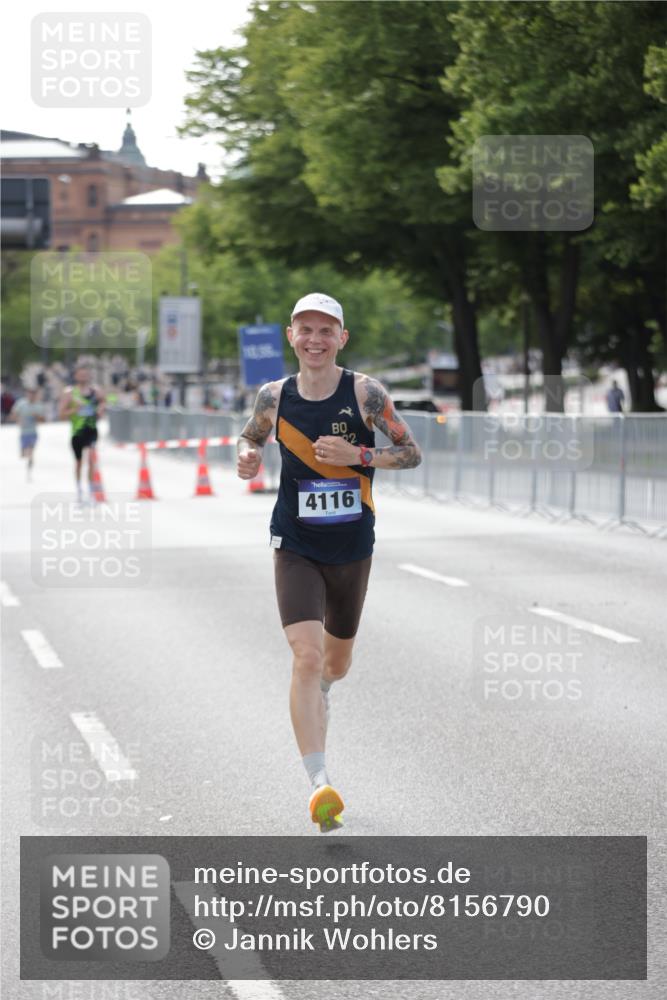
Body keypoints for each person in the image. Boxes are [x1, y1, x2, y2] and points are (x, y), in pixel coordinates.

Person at [236, 293, 422, 832]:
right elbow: (251, 437)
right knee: (306, 656)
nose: (315, 339)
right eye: (305, 329)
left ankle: (321, 695)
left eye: (326, 331)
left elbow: (411, 452)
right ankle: (319, 785)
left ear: (342, 338)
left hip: (351, 544)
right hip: (294, 540)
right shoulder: (274, 396)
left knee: (335, 666)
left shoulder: (365, 393)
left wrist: (358, 456)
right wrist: (246, 455)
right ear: (290, 336)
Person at [59, 363, 106, 502]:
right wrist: (75, 410)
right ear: (75, 376)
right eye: (81, 374)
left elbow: (104, 402)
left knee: (91, 458)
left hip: (91, 429)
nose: (83, 377)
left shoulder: (96, 391)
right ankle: (79, 488)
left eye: (85, 374)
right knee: (79, 462)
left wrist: (101, 409)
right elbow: (61, 414)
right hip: (77, 432)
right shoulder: (69, 393)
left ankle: (91, 489)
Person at [10, 386, 46, 480]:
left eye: (34, 394)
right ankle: (25, 455)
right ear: (27, 394)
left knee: (31, 452)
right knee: (23, 454)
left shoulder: (39, 405)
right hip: (23, 433)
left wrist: (37, 417)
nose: (32, 396)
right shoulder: (21, 403)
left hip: (33, 433)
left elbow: (43, 420)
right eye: (30, 394)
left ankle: (29, 472)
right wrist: (18, 420)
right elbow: (13, 415)